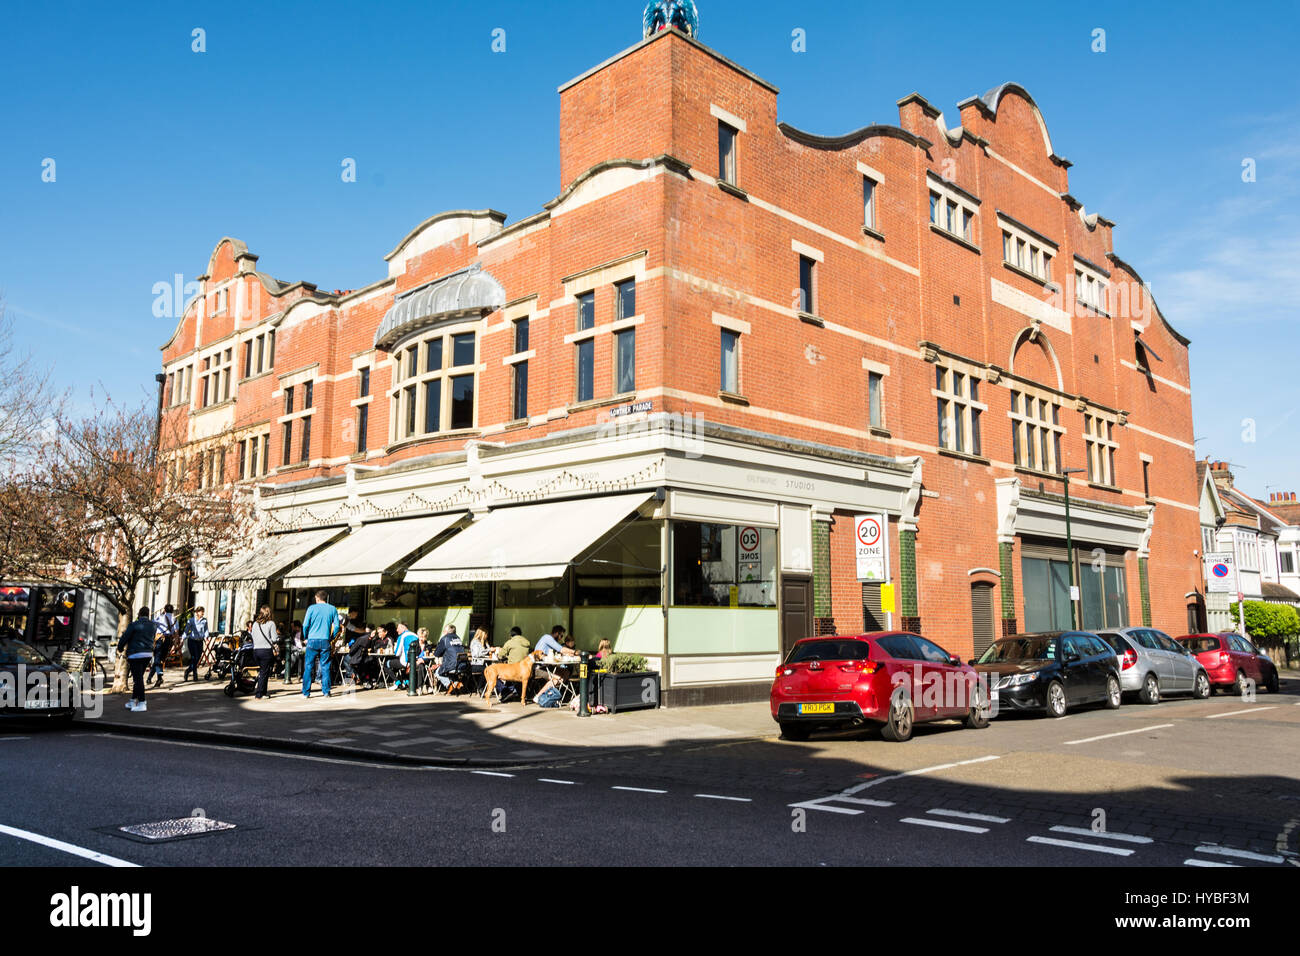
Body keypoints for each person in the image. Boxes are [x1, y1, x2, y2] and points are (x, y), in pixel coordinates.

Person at [301, 590, 340, 699]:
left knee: (308, 667)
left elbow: (305, 625)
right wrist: (332, 637)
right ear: (326, 598)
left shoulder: (311, 608)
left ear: (317, 598)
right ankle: (326, 692)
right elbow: (337, 626)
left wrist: (306, 636)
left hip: (312, 640)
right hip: (325, 640)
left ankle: (306, 692)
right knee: (325, 666)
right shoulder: (332, 609)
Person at [118, 608, 157, 712]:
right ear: (148, 614)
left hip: (135, 654)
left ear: (139, 614)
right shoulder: (153, 625)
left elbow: (125, 637)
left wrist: (120, 648)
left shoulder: (134, 625)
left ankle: (142, 702)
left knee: (138, 680)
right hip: (148, 654)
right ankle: (132, 700)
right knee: (138, 678)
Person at [249, 605, 279, 699]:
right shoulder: (271, 623)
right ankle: (259, 694)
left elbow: (253, 636)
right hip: (266, 650)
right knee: (264, 672)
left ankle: (264, 692)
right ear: (269, 613)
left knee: (263, 671)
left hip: (256, 650)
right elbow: (274, 638)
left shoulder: (255, 624)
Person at [150, 604, 179, 687]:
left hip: (160, 638)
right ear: (172, 611)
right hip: (169, 640)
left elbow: (152, 624)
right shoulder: (175, 619)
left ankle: (159, 676)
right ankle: (151, 677)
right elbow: (176, 633)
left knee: (157, 658)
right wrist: (175, 645)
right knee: (161, 659)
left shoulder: (160, 617)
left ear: (165, 610)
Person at [434, 625, 466, 693]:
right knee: (450, 673)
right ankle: (457, 683)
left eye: (444, 630)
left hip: (452, 665)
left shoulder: (444, 638)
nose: (443, 632)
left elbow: (437, 653)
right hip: (463, 665)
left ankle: (449, 685)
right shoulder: (458, 638)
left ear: (446, 632)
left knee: (437, 673)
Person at [182, 607, 209, 682]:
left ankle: (187, 671)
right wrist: (182, 639)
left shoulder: (204, 621)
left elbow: (206, 630)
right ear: (197, 612)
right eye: (201, 612)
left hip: (200, 641)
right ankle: (195, 675)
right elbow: (186, 630)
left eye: (203, 611)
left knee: (197, 658)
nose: (203, 613)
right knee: (194, 657)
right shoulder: (191, 620)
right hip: (192, 641)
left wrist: (206, 638)